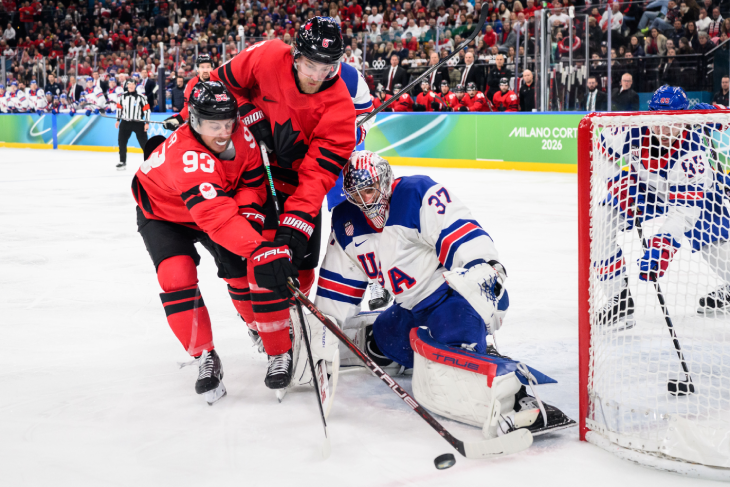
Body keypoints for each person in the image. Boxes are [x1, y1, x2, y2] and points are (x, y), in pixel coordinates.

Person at [313, 150, 575, 439]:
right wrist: (323, 330)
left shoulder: (415, 194)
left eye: (369, 190)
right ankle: (418, 349)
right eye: (356, 194)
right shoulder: (346, 221)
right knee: (385, 338)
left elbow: (456, 228)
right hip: (410, 307)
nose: (365, 202)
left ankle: (519, 400)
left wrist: (482, 266)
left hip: (451, 300)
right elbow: (337, 284)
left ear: (385, 182)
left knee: (456, 353)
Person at [210, 17, 357, 392]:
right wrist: (246, 109)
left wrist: (295, 227)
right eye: (310, 65)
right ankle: (258, 326)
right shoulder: (267, 55)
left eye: (328, 68)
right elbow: (218, 85)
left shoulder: (340, 108)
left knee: (300, 266)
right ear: (295, 55)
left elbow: (317, 177)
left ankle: (289, 322)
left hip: (297, 183)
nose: (318, 76)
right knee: (241, 262)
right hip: (250, 171)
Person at [132, 81, 267, 405]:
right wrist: (260, 250)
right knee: (175, 276)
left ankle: (256, 325)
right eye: (212, 125)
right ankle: (204, 355)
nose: (222, 133)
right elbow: (217, 219)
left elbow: (252, 184)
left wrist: (249, 217)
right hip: (163, 214)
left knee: (239, 272)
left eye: (227, 123)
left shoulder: (243, 138)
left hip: (213, 205)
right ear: (193, 121)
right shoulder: (186, 154)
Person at [593, 86, 729, 326]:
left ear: (684, 118)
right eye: (658, 121)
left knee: (713, 244)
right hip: (647, 189)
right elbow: (600, 149)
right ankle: (619, 300)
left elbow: (683, 212)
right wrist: (616, 180)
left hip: (698, 194)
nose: (663, 131)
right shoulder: (633, 127)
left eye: (671, 123)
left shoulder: (692, 154)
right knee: (602, 220)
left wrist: (663, 243)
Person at [163, 54, 214, 131]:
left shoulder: (219, 81)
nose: (205, 70)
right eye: (202, 67)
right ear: (198, 69)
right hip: (198, 125)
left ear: (212, 68)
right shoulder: (191, 83)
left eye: (208, 67)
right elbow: (188, 106)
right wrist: (179, 118)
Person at [115, 78, 150, 171]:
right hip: (125, 122)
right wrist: (118, 120)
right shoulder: (122, 97)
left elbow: (147, 110)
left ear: (135, 85)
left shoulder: (141, 97)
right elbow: (119, 109)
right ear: (127, 85)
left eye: (133, 84)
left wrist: (147, 123)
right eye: (129, 84)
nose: (131, 86)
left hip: (138, 123)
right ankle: (122, 161)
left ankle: (149, 162)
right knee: (121, 142)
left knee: (144, 144)